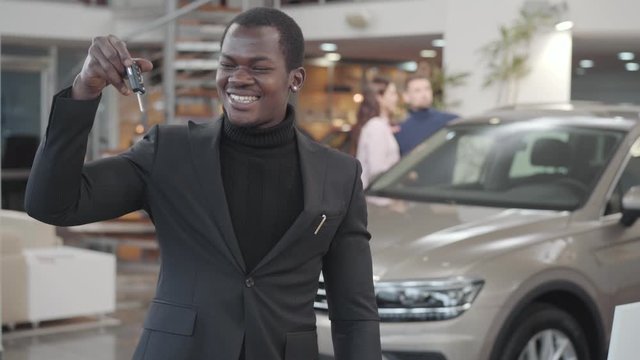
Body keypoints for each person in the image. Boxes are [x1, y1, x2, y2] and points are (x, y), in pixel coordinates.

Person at [25, 7, 381, 360]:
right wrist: (85, 90)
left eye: (259, 67)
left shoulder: (339, 174)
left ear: (295, 79)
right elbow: (52, 203)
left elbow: (355, 313)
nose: (238, 78)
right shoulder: (169, 151)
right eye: (228, 64)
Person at [353, 77, 400, 189]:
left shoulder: (381, 125)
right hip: (378, 200)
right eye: (392, 93)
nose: (397, 98)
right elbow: (377, 170)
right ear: (379, 97)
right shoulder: (376, 126)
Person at [395, 74, 458, 156]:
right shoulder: (398, 128)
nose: (424, 95)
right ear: (406, 96)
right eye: (417, 90)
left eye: (427, 89)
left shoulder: (450, 121)